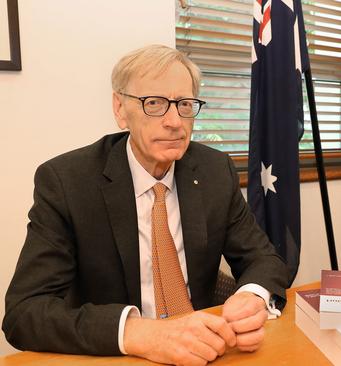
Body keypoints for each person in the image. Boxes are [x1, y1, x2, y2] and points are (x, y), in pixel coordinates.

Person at [2, 44, 289, 365]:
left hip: (208, 349)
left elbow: (263, 258)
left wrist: (252, 296)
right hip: (122, 357)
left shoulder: (213, 170)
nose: (174, 121)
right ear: (120, 108)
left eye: (184, 104)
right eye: (154, 103)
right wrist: (139, 332)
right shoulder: (67, 182)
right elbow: (24, 312)